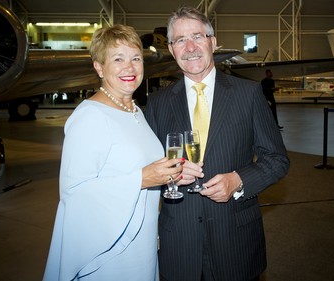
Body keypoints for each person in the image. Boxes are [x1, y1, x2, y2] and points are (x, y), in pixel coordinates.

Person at [145, 6, 290, 281]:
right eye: (180, 41)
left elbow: (277, 159)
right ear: (172, 50)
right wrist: (169, 175)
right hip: (179, 244)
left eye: (197, 37)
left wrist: (238, 180)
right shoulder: (158, 103)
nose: (190, 47)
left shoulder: (248, 94)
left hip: (235, 240)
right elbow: (148, 167)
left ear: (212, 42)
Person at [43, 24, 184, 281]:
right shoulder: (89, 116)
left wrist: (170, 175)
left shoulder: (135, 111)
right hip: (110, 254)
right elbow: (73, 194)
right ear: (99, 67)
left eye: (136, 58)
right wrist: (141, 179)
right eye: (118, 59)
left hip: (141, 243)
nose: (129, 68)